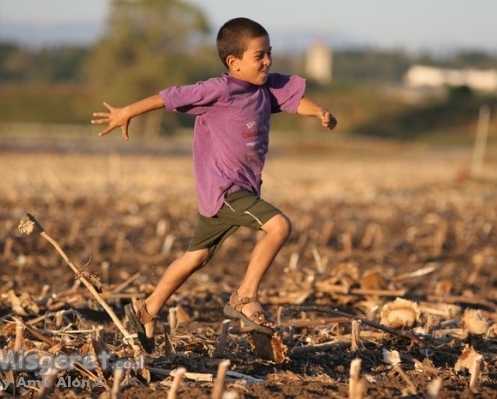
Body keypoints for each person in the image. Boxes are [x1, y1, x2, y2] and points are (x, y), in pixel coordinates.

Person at [91, 17, 337, 353]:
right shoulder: (219, 90)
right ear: (233, 63)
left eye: (269, 53)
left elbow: (293, 101)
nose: (267, 61)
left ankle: (145, 311)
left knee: (195, 258)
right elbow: (170, 96)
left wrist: (319, 111)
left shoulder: (265, 88)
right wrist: (127, 112)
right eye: (259, 56)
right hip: (226, 190)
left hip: (239, 192)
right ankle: (244, 296)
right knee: (279, 226)